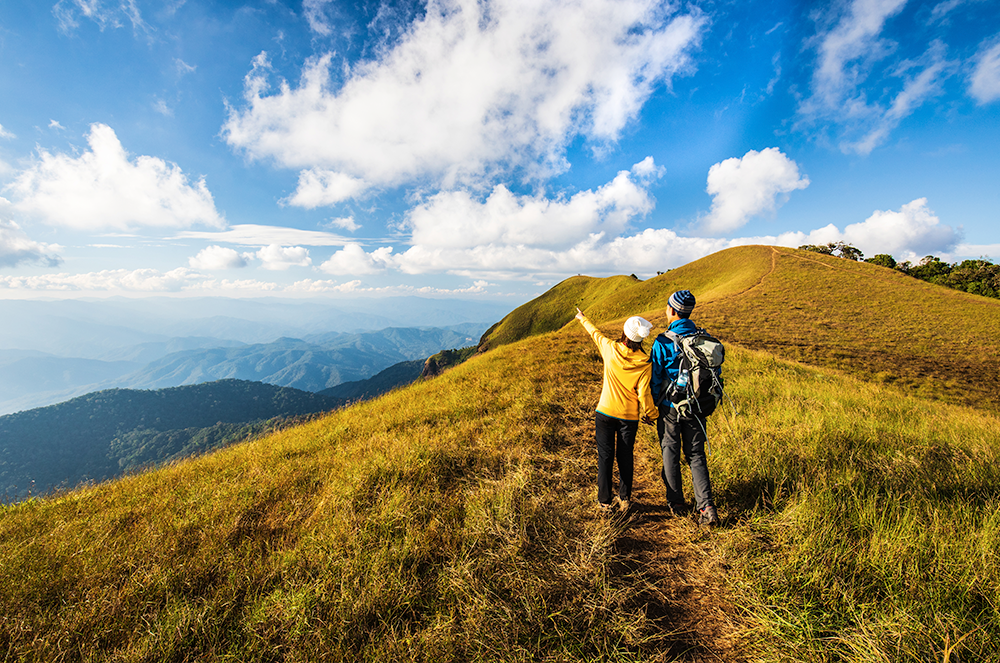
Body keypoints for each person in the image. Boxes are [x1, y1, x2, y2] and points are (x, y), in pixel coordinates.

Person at [575, 308, 658, 515]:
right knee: (625, 457)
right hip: (628, 418)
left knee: (605, 456)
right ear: (641, 339)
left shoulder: (610, 348)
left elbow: (595, 333)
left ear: (624, 333)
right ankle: (625, 498)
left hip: (604, 412)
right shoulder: (645, 363)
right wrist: (651, 414)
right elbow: (644, 394)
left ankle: (604, 502)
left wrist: (583, 318)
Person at [650, 290, 719, 526]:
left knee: (670, 450)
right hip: (698, 406)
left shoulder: (663, 341)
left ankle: (676, 503)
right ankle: (707, 507)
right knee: (696, 455)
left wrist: (652, 404)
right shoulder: (704, 338)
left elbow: (655, 377)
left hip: (670, 407)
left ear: (672, 310)